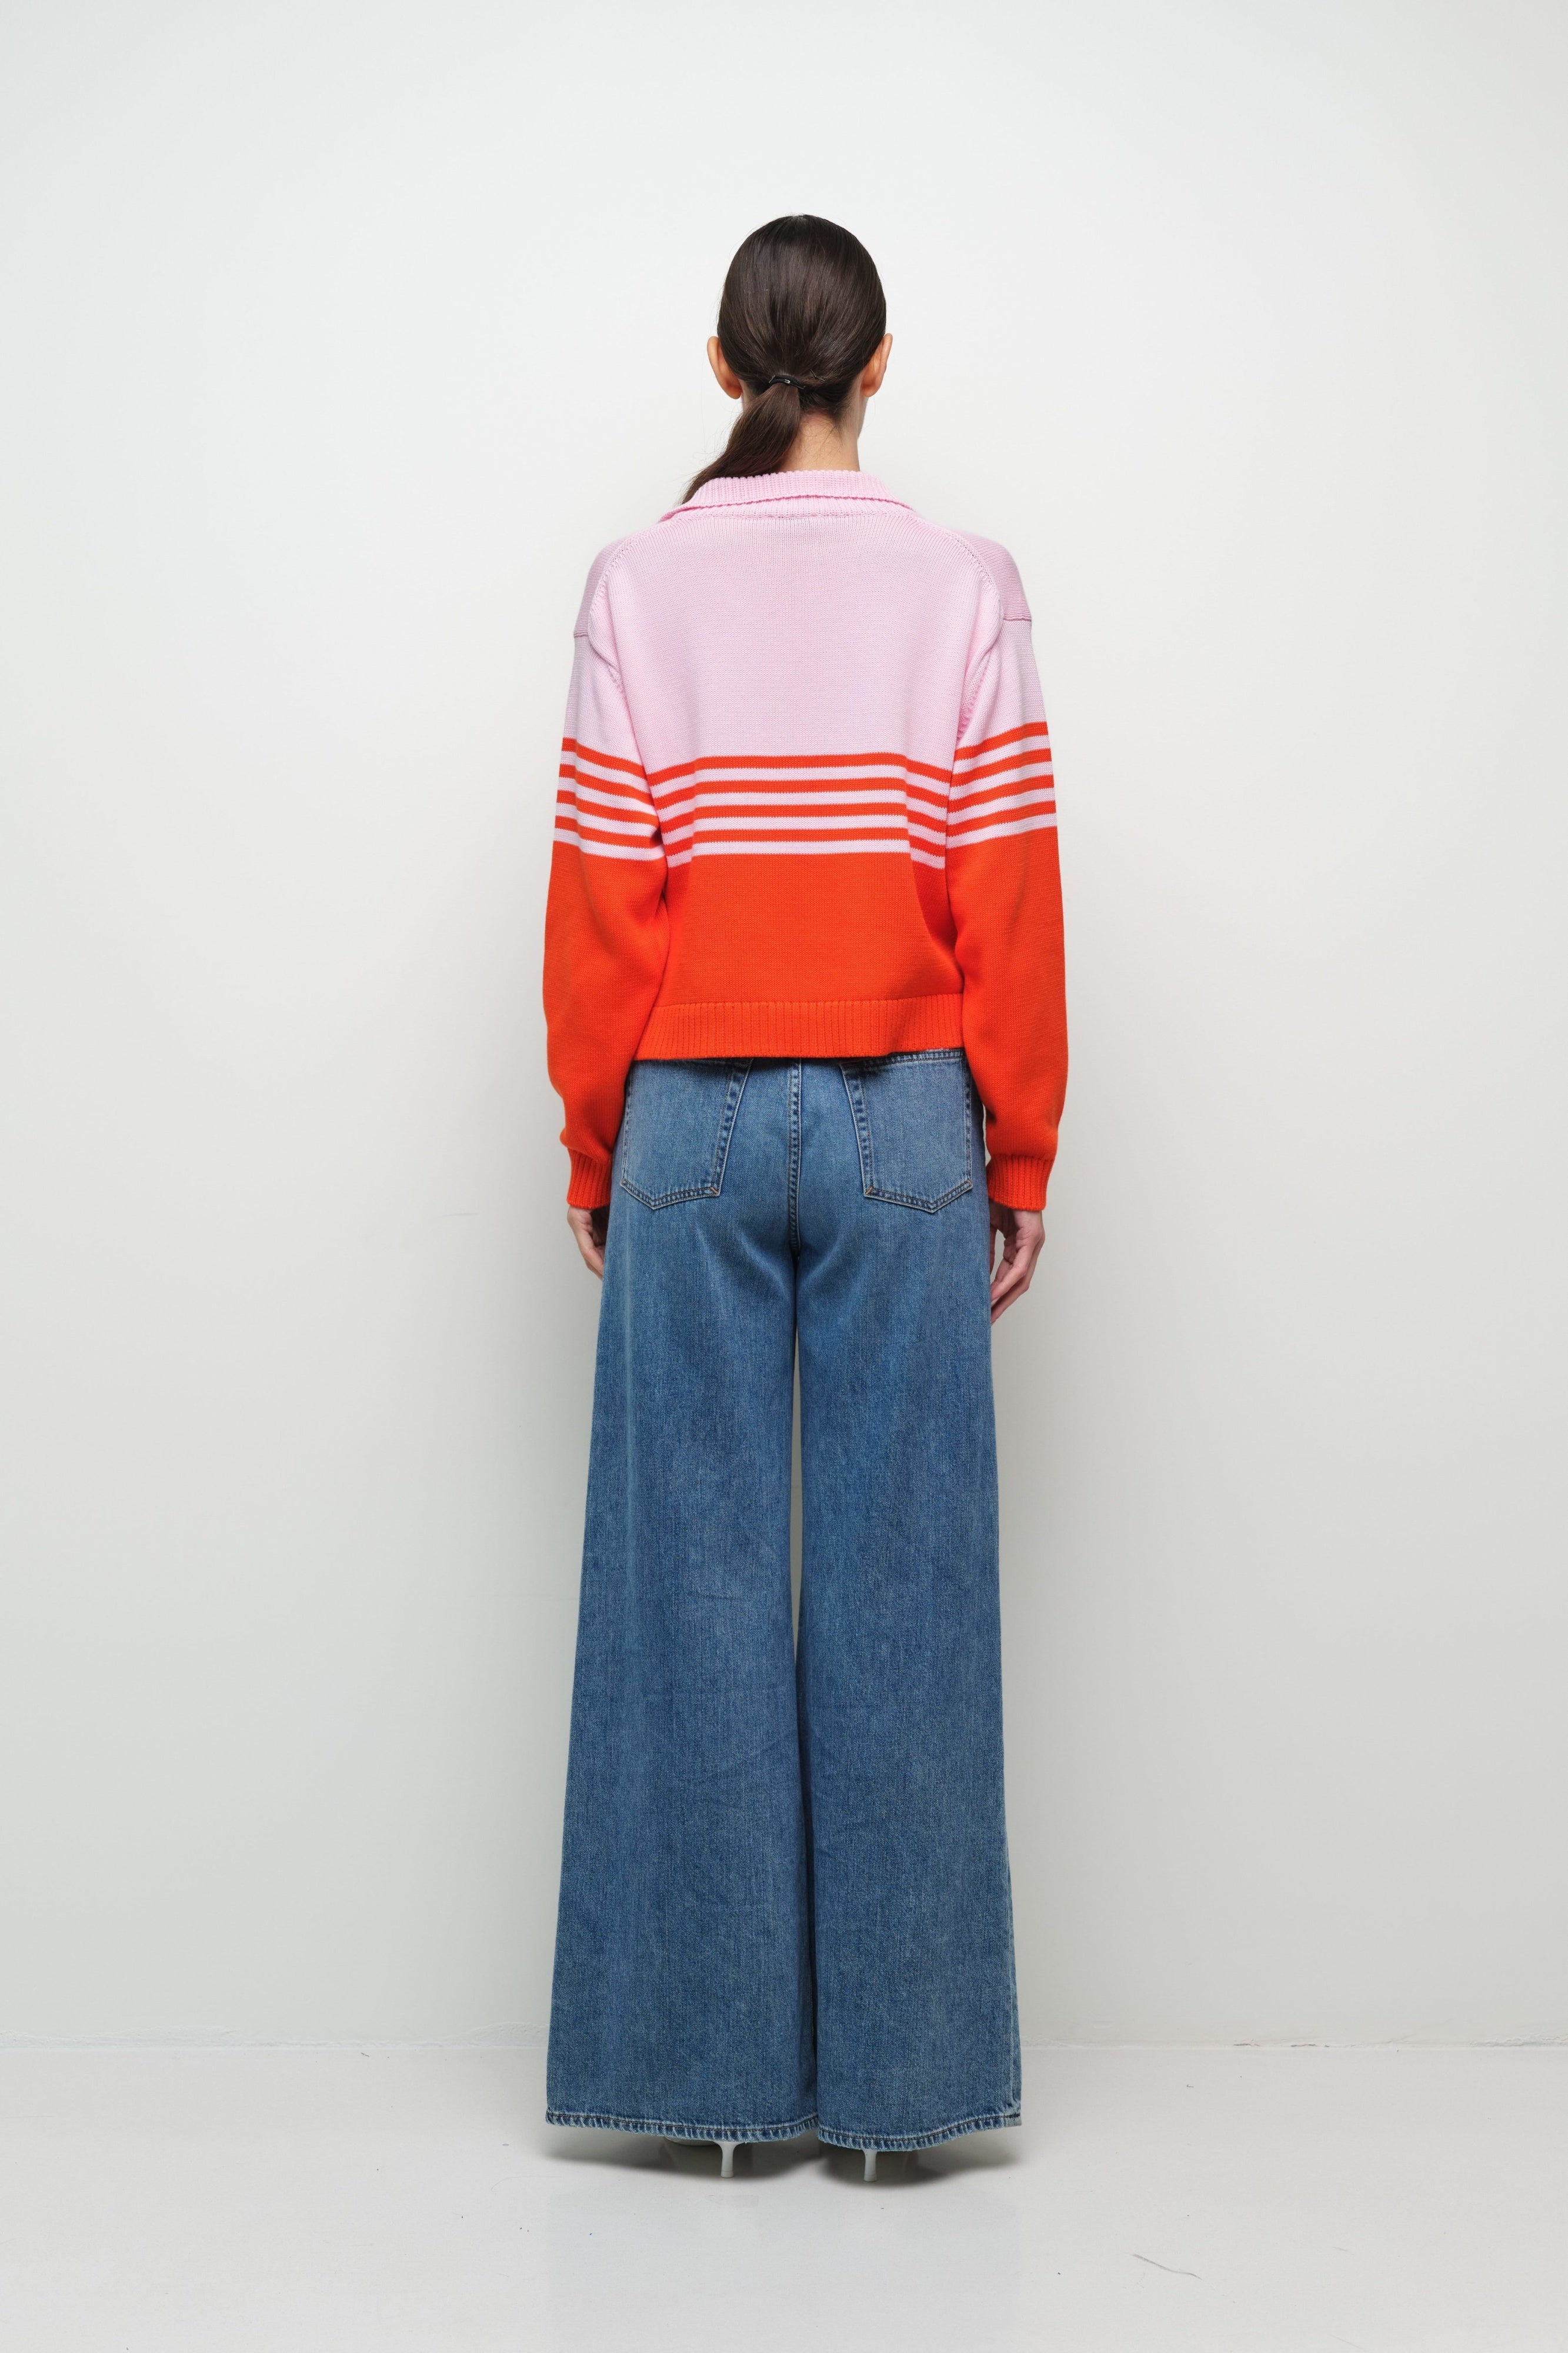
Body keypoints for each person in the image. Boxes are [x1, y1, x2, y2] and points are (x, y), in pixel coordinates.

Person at [541, 215, 1067, 2174]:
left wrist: (596, 1139)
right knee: (904, 1584)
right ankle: (900, 2108)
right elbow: (1005, 887)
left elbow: (603, 901)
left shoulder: (634, 582)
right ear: (880, 364)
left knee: (682, 1584)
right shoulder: (964, 583)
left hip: (685, 1112)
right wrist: (1019, 1145)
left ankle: (705, 2096)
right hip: (902, 1117)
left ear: (719, 366)